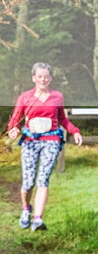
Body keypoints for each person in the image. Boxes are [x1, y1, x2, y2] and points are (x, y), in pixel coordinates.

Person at [7, 62, 83, 232]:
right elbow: (15, 119)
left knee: (43, 179)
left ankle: (37, 220)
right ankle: (26, 209)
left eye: (46, 76)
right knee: (28, 182)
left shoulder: (57, 97)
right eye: (39, 76)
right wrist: (12, 129)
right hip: (30, 141)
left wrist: (75, 131)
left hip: (51, 140)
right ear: (34, 78)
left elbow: (63, 119)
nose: (43, 79)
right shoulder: (25, 97)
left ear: (50, 78)